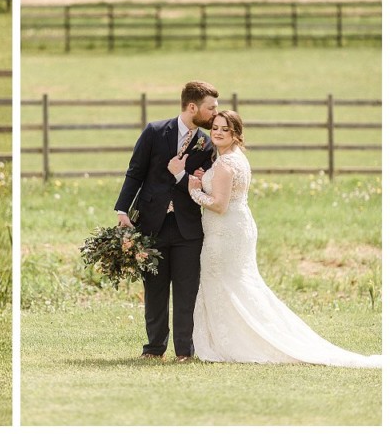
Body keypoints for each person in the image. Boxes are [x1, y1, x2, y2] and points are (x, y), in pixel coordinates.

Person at [188, 111, 380, 368]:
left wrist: (195, 191)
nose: (218, 132)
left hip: (225, 231)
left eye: (225, 129)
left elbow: (219, 205)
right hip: (237, 227)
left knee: (226, 282)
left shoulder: (224, 164)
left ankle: (235, 340)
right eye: (215, 128)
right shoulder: (237, 159)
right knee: (238, 282)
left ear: (236, 134)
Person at [114, 81, 218, 362]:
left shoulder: (208, 143)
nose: (214, 115)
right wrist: (122, 210)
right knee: (155, 289)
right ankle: (154, 348)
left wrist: (186, 176)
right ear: (192, 107)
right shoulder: (155, 132)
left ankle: (185, 350)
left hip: (188, 227)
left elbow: (204, 187)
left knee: (187, 291)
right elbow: (135, 172)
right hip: (152, 224)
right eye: (210, 109)